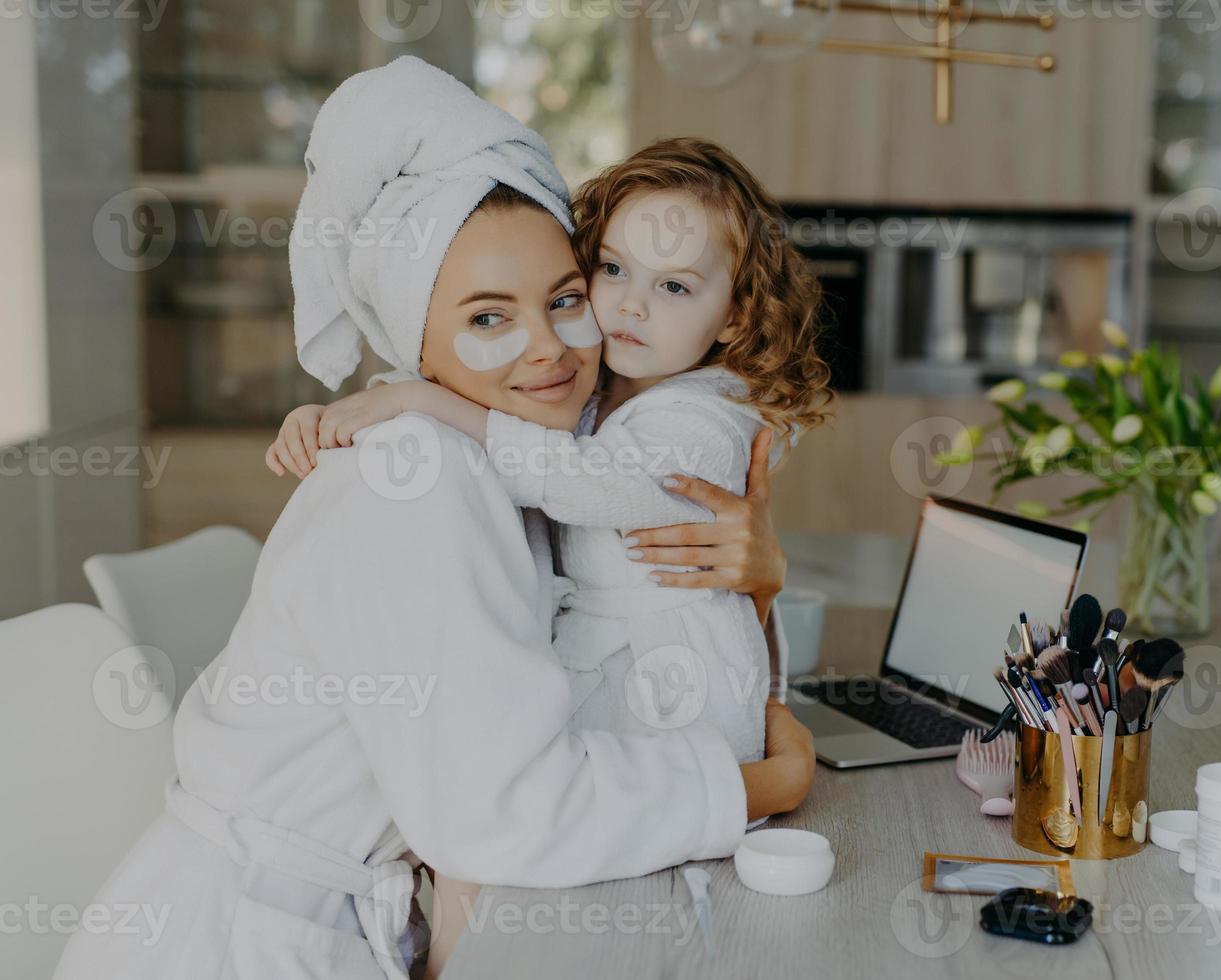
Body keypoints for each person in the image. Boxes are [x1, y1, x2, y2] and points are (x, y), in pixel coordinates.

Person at [53, 57, 814, 980]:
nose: (549, 349)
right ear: (414, 347)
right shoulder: (417, 482)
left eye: (566, 300)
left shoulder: (528, 440)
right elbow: (500, 811)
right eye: (487, 318)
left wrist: (757, 573)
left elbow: (616, 511)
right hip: (236, 947)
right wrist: (755, 788)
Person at [264, 137, 834, 976]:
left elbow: (587, 484)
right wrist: (369, 405)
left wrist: (408, 397)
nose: (624, 311)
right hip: (317, 907)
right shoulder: (434, 466)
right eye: (611, 272)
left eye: (673, 286)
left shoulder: (699, 414)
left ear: (737, 315)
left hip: (659, 709)